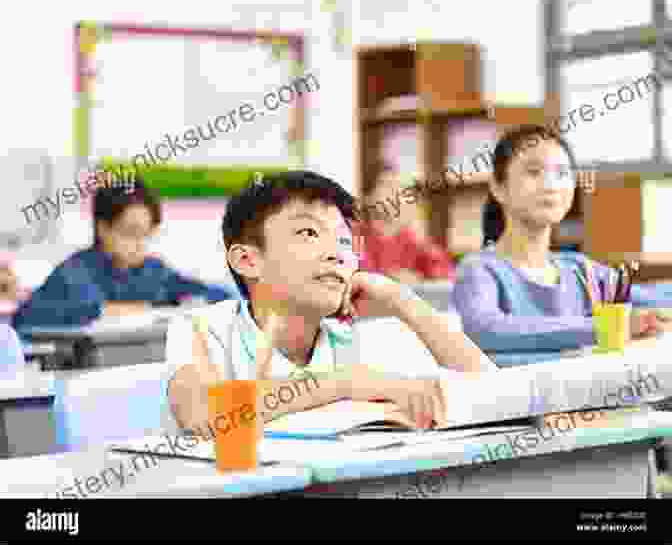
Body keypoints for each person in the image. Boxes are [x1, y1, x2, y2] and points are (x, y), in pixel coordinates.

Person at [164, 171, 494, 437]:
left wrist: (402, 300)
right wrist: (344, 382)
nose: (336, 253)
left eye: (344, 241)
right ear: (248, 260)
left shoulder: (354, 334)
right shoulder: (202, 329)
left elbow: (492, 394)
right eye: (309, 232)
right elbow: (201, 413)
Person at [452, 124, 672, 360]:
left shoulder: (579, 269)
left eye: (562, 173)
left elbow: (655, 297)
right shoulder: (480, 269)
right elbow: (485, 330)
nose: (551, 185)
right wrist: (608, 328)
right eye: (534, 172)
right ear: (498, 187)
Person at [12, 177, 236, 332]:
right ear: (103, 228)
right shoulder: (74, 272)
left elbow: (219, 296)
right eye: (131, 233)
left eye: (146, 235)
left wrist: (186, 304)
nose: (140, 244)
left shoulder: (153, 271)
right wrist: (101, 311)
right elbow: (24, 318)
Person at [358, 173, 455, 283]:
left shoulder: (414, 241)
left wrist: (420, 280)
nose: (396, 194)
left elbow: (445, 277)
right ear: (368, 198)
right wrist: (389, 279)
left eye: (403, 190)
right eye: (388, 186)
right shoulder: (354, 236)